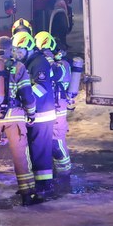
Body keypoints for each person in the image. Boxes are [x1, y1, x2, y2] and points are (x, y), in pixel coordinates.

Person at [0, 36, 44, 209]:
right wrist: (31, 113)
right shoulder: (18, 66)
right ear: (10, 48)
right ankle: (27, 196)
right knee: (20, 156)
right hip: (14, 116)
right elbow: (27, 95)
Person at [13, 30, 56, 198]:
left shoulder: (39, 62)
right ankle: (37, 184)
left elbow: (41, 87)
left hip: (42, 114)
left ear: (29, 48)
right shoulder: (29, 62)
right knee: (34, 150)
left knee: (40, 151)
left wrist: (25, 98)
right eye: (16, 50)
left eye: (21, 50)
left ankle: (44, 186)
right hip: (35, 113)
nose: (18, 54)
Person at [35, 31, 74, 180]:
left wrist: (49, 60)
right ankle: (53, 173)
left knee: (56, 141)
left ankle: (64, 175)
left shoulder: (63, 65)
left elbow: (55, 75)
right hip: (48, 108)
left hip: (58, 107)